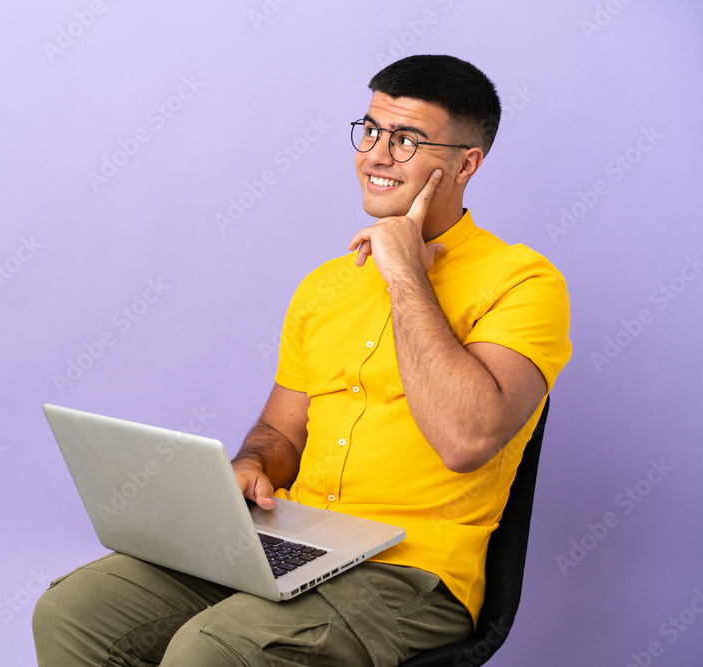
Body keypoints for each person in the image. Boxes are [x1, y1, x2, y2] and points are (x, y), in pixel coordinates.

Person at [33, 54, 571, 666]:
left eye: (405, 139)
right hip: (295, 542)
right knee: (75, 612)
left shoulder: (524, 282)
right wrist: (252, 465)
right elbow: (279, 430)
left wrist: (403, 271)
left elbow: (465, 438)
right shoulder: (325, 286)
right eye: (370, 130)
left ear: (466, 164)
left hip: (412, 574)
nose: (374, 155)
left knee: (213, 649)